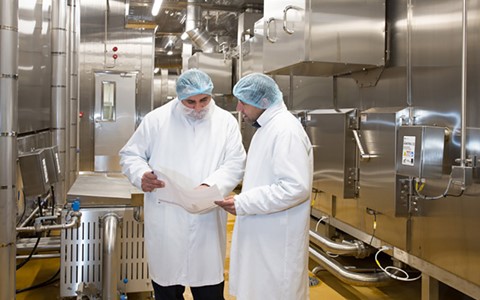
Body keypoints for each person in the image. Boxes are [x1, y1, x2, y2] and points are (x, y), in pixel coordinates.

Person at [119, 69, 246, 300]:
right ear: (179, 98)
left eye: (204, 100)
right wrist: (142, 174)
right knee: (167, 288)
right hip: (167, 218)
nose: (198, 108)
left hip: (207, 217)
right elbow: (130, 155)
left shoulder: (225, 122)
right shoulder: (156, 120)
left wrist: (210, 185)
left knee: (208, 289)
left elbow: (236, 162)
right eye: (190, 102)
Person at [215, 73, 313, 300]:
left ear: (264, 101)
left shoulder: (285, 131)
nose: (239, 108)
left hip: (276, 244)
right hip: (264, 237)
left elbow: (294, 188)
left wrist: (243, 202)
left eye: (244, 102)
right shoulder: (267, 128)